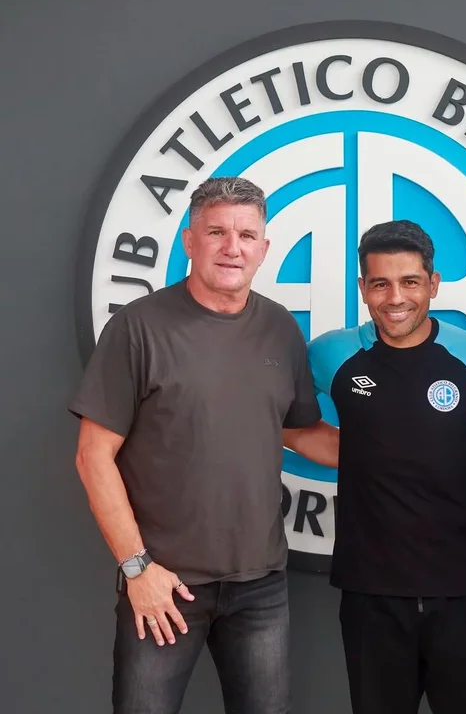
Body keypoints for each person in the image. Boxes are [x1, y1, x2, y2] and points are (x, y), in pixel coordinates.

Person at [69, 176, 336, 714]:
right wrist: (137, 569)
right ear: (190, 242)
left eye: (246, 235)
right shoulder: (138, 327)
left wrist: (399, 451)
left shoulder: (280, 328)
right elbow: (93, 456)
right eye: (216, 232)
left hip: (260, 585)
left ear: (264, 248)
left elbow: (298, 430)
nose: (232, 247)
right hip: (164, 584)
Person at [306, 220, 466, 714]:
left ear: (433, 284)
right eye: (380, 284)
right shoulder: (330, 353)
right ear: (363, 288)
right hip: (370, 590)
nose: (395, 298)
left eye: (410, 282)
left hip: (460, 588)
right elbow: (288, 424)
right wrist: (366, 452)